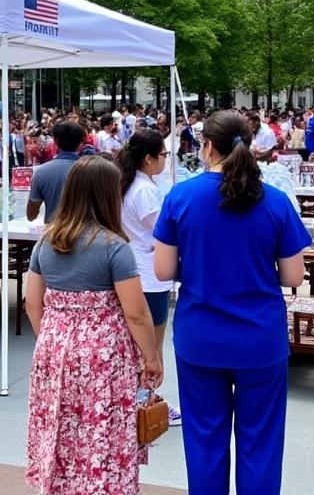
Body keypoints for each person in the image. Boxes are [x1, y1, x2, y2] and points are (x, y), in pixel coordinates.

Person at [153, 111, 309, 495]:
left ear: (207, 146)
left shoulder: (181, 197)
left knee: (204, 441)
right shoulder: (274, 201)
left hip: (200, 336)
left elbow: (162, 270)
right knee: (261, 443)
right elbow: (293, 277)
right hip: (260, 338)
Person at [25, 156, 163, 494]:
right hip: (104, 353)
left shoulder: (47, 241)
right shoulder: (114, 247)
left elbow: (32, 302)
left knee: (60, 426)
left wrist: (51, 338)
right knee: (103, 426)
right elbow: (136, 313)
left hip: (54, 347)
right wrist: (151, 357)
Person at [116, 128, 181, 427]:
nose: (166, 160)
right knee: (151, 346)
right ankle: (146, 401)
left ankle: (136, 397)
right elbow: (162, 233)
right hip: (149, 273)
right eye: (164, 156)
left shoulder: (129, 184)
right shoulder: (144, 191)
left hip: (135, 268)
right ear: (148, 158)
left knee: (137, 343)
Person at [26, 121, 83, 222]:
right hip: (85, 233)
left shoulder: (41, 172)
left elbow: (31, 215)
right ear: (80, 143)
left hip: (54, 233)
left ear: (55, 141)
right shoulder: (91, 170)